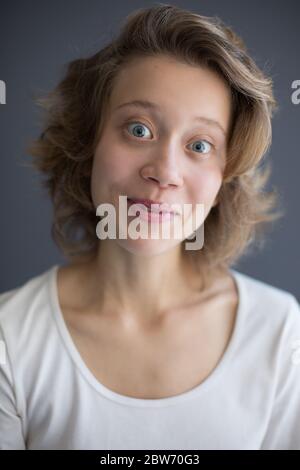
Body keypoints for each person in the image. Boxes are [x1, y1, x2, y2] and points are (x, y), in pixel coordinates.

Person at [1, 4, 300, 450]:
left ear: (224, 180)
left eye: (200, 144)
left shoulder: (281, 335)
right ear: (90, 143)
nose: (165, 171)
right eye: (138, 129)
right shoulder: (10, 338)